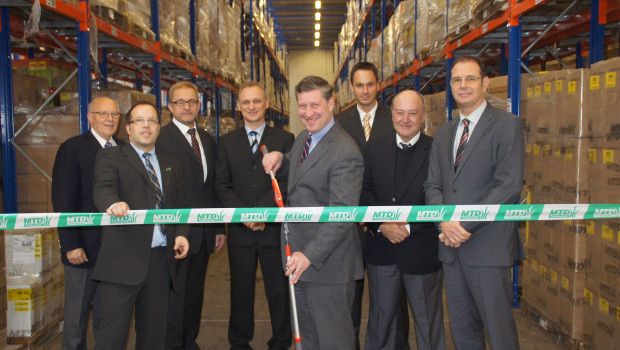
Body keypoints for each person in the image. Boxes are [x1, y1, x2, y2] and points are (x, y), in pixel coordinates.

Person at [424, 56, 525, 350]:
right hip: (451, 249)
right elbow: (432, 185)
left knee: (499, 332)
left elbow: (507, 187)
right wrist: (443, 221)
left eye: (470, 79)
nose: (463, 85)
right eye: (457, 80)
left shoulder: (507, 125)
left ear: (485, 83)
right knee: (463, 332)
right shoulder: (444, 133)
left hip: (487, 246)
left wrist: (463, 226)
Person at [262, 75, 364, 349]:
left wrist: (309, 255)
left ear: (332, 103)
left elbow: (342, 216)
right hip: (299, 260)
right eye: (303, 106)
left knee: (334, 342)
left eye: (315, 105)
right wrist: (282, 160)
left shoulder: (345, 151)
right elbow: (302, 175)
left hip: (327, 265)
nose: (308, 113)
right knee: (308, 342)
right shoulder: (304, 138)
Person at [92, 102, 190, 350]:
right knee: (112, 337)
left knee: (153, 336)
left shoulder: (173, 165)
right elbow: (103, 188)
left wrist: (181, 235)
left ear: (159, 128)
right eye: (139, 120)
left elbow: (180, 207)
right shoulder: (111, 156)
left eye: (152, 120)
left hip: (160, 262)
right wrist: (112, 203)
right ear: (128, 128)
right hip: (122, 262)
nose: (146, 125)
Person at [361, 90, 445, 350]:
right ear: (392, 115)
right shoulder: (374, 149)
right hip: (382, 250)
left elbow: (441, 194)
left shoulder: (436, 150)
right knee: (381, 322)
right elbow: (363, 192)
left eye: (412, 113)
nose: (405, 119)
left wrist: (410, 225)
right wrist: (382, 224)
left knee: (427, 324)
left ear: (423, 117)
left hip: (421, 251)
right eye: (400, 112)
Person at [215, 81, 294, 350]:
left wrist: (264, 212)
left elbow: (287, 182)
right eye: (246, 102)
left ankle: (281, 341)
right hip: (240, 230)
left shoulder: (285, 139)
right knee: (240, 290)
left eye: (257, 101)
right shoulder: (226, 142)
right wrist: (244, 214)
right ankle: (239, 342)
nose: (251, 107)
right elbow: (221, 184)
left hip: (273, 228)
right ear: (238, 106)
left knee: (278, 290)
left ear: (267, 104)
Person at [335, 61, 406, 350]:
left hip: (388, 220)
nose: (365, 90)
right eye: (359, 85)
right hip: (350, 223)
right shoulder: (339, 122)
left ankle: (397, 345)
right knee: (349, 294)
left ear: (379, 85)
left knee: (392, 297)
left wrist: (389, 218)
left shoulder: (396, 118)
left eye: (370, 84)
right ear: (351, 87)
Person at [156, 81, 225, 350]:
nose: (187, 107)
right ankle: (173, 343)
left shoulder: (206, 139)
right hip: (176, 233)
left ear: (199, 105)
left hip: (204, 234)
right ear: (170, 107)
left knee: (195, 294)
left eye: (192, 102)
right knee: (176, 294)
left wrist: (219, 227)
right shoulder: (161, 138)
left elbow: (213, 186)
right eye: (180, 102)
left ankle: (189, 340)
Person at [52, 97, 125, 350]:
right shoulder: (72, 148)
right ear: (89, 117)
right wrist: (70, 244)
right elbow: (63, 199)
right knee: (76, 317)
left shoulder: (124, 149)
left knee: (109, 318)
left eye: (114, 114)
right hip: (83, 251)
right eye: (103, 114)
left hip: (116, 250)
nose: (109, 119)